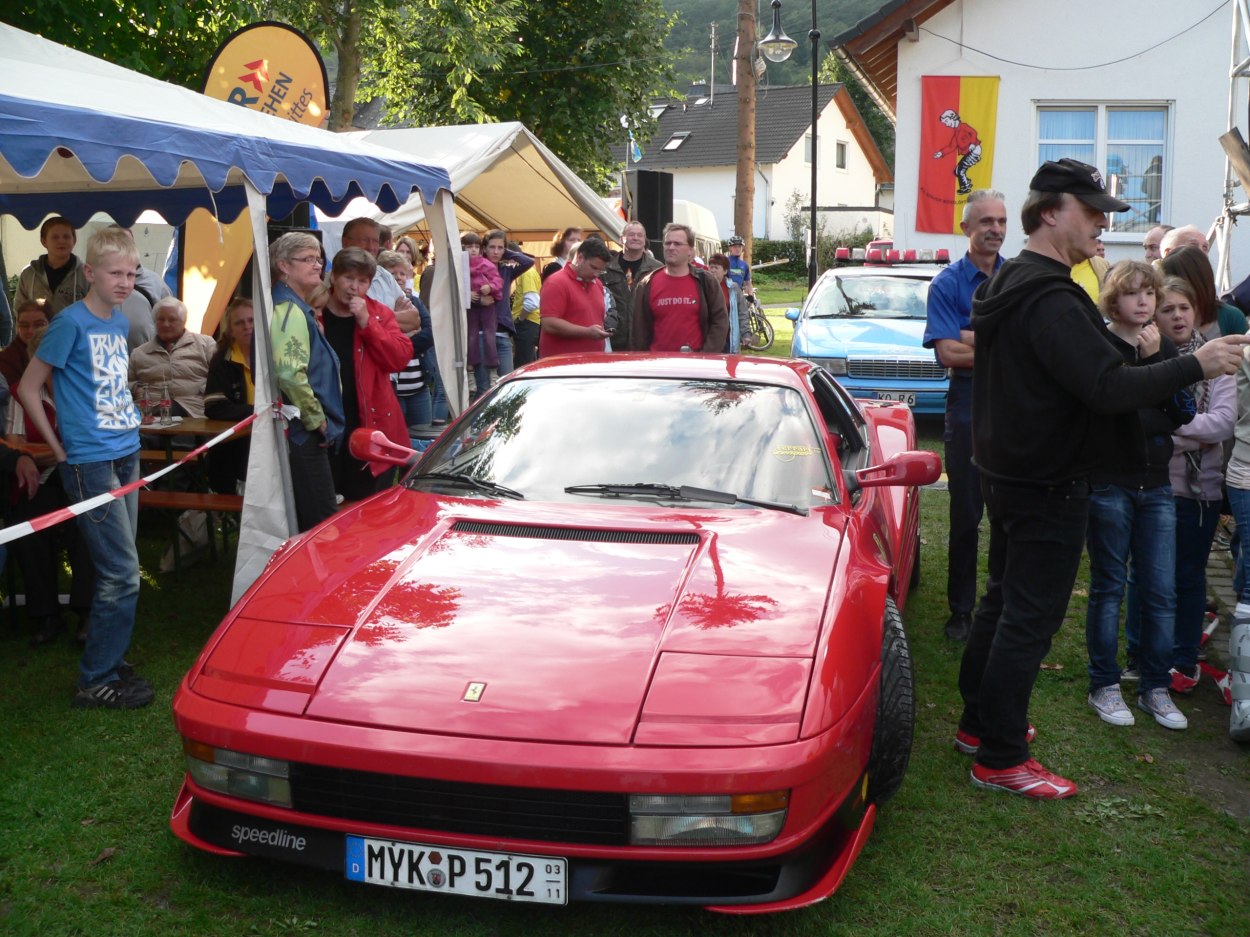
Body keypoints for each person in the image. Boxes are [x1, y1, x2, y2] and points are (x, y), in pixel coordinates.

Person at [956, 158, 1249, 799]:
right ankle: (1000, 757)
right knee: (1027, 618)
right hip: (1049, 480)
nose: (1102, 225)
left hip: (1009, 472)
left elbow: (1079, 371)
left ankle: (982, 726)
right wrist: (1192, 364)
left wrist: (1152, 354)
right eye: (1091, 213)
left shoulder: (1014, 283)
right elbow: (1105, 388)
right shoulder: (1052, 296)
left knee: (1003, 603)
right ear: (1051, 212)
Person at [17, 226, 153, 709]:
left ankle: (110, 661)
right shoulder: (69, 324)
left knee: (119, 566)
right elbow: (30, 387)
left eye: (132, 273)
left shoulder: (117, 322)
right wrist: (58, 446)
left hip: (126, 450)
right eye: (115, 272)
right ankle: (95, 678)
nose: (124, 282)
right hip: (89, 462)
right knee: (122, 573)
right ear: (90, 272)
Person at [1083, 261, 1190, 732]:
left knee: (1161, 590)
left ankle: (1155, 687)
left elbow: (1180, 411)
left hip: (1157, 483)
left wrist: (1152, 365)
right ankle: (1103, 683)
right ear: (1113, 300)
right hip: (1110, 480)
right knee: (1108, 585)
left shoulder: (1161, 345)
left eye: (1149, 292)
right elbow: (1109, 414)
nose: (1144, 302)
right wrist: (1145, 393)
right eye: (1132, 294)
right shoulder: (1100, 345)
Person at [922, 189, 1006, 643]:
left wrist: (972, 336)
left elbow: (1033, 344)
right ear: (966, 228)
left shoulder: (1019, 278)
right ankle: (961, 611)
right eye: (986, 221)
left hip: (1015, 411)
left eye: (1002, 221)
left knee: (1008, 516)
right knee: (966, 515)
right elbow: (949, 353)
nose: (995, 229)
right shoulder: (947, 284)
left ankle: (998, 605)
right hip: (969, 409)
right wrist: (1001, 344)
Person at [1153, 276, 1236, 696]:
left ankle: (1184, 660)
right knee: (1153, 578)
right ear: (1155, 316)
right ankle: (1152, 656)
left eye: (1183, 307)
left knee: (1188, 578)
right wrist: (1182, 430)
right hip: (1155, 486)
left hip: (1200, 490)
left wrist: (1171, 430)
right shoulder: (1149, 361)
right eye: (1167, 310)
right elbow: (1141, 418)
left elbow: (1222, 422)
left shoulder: (1217, 359)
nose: (1178, 316)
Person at [320, 247, 413, 501]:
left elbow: (398, 358)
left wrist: (367, 323)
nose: (354, 287)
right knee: (327, 505)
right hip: (325, 423)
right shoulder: (315, 312)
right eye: (348, 278)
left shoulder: (379, 313)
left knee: (366, 505)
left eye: (362, 281)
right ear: (333, 278)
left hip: (370, 421)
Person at [269, 231, 344, 532]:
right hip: (302, 431)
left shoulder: (294, 306)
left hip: (301, 429)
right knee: (321, 523)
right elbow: (289, 372)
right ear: (284, 266)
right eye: (308, 259)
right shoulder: (288, 309)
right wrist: (317, 420)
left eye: (319, 259)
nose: (317, 265)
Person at [630, 223, 728, 353]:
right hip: (657, 366)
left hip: (695, 366)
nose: (671, 247)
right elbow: (638, 331)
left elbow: (720, 322)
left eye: (677, 244)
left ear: (691, 251)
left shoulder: (707, 282)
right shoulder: (647, 283)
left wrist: (705, 356)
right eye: (667, 243)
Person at [128, 297, 216, 418]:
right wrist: (135, 389)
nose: (166, 324)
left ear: (183, 321)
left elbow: (220, 378)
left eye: (172, 319)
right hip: (151, 412)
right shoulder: (139, 353)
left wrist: (203, 391)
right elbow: (125, 383)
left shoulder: (205, 345)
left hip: (194, 411)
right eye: (161, 319)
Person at [203, 297, 255, 495]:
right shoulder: (222, 359)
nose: (247, 327)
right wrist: (255, 412)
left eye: (251, 320)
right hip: (236, 441)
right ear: (230, 330)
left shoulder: (271, 354)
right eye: (239, 323)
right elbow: (214, 406)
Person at [377, 249, 434, 429]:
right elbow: (381, 341)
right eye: (393, 273)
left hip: (419, 388)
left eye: (402, 273)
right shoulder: (378, 305)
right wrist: (409, 332)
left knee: (424, 441)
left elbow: (430, 333)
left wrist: (400, 343)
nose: (399, 277)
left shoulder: (415, 302)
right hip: (393, 391)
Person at [476, 230, 534, 392]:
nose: (495, 252)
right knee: (484, 386)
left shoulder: (506, 270)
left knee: (508, 385)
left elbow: (528, 262)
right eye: (492, 247)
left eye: (500, 248)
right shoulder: (476, 268)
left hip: (502, 333)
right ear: (484, 248)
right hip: (482, 332)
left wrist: (507, 252)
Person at [538, 237, 612, 357]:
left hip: (593, 362)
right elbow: (549, 323)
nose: (596, 274)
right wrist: (587, 332)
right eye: (593, 267)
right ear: (579, 258)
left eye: (601, 270)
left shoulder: (597, 284)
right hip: (563, 365)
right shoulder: (556, 282)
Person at [1160, 245, 1248, 339]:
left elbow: (1244, 351)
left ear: (1200, 281)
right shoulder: (1155, 319)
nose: (1173, 289)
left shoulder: (1231, 316)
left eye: (1178, 284)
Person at [13, 216, 87, 325]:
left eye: (66, 237)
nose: (61, 241)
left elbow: (95, 312)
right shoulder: (29, 274)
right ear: (44, 241)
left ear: (74, 240)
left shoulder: (87, 274)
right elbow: (20, 310)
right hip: (38, 339)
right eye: (55, 237)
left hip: (73, 339)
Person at [602, 221, 662, 352]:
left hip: (644, 339)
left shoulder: (657, 269)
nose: (635, 238)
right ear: (621, 238)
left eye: (640, 235)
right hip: (613, 340)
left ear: (645, 240)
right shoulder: (606, 268)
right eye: (631, 234)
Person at [707, 253, 750, 353]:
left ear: (725, 271)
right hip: (709, 338)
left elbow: (742, 313)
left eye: (716, 268)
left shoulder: (733, 289)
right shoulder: (704, 287)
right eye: (711, 267)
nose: (713, 270)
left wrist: (746, 334)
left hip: (729, 338)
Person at [511, 252, 543, 366]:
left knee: (522, 365)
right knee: (529, 363)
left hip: (527, 323)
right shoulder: (529, 272)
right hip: (530, 322)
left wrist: (519, 319)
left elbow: (532, 302)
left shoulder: (526, 273)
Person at [724, 235, 755, 300]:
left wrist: (751, 295)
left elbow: (748, 283)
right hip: (726, 295)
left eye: (739, 246)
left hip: (739, 295)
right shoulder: (724, 262)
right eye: (735, 246)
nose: (737, 249)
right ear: (730, 248)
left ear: (742, 248)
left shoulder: (744, 265)